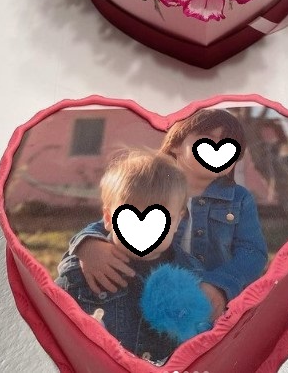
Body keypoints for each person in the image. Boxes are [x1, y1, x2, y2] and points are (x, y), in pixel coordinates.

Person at [68, 109, 268, 322]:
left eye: (229, 144)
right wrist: (88, 245)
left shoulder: (239, 199)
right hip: (152, 292)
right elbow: (117, 220)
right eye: (207, 139)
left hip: (208, 306)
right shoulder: (153, 187)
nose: (217, 149)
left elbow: (252, 252)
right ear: (175, 145)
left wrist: (220, 285)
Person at [55, 150, 204, 362]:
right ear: (109, 218)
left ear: (178, 221)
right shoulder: (84, 271)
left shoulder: (192, 277)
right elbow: (51, 322)